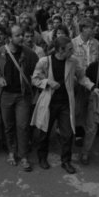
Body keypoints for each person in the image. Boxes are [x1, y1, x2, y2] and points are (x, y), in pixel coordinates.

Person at [31, 36, 89, 174]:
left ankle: (66, 161)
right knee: (44, 132)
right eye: (70, 49)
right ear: (60, 50)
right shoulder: (45, 61)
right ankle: (42, 158)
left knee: (67, 134)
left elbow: (81, 76)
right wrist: (48, 82)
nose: (72, 51)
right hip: (49, 102)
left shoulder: (73, 61)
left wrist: (91, 86)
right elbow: (34, 79)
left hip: (65, 103)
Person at [0, 24, 39, 171]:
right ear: (9, 38)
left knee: (23, 126)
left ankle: (23, 155)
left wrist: (34, 81)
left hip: (23, 96)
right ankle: (11, 151)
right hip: (5, 95)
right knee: (8, 126)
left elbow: (38, 71)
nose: (22, 37)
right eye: (18, 35)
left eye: (22, 34)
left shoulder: (29, 54)